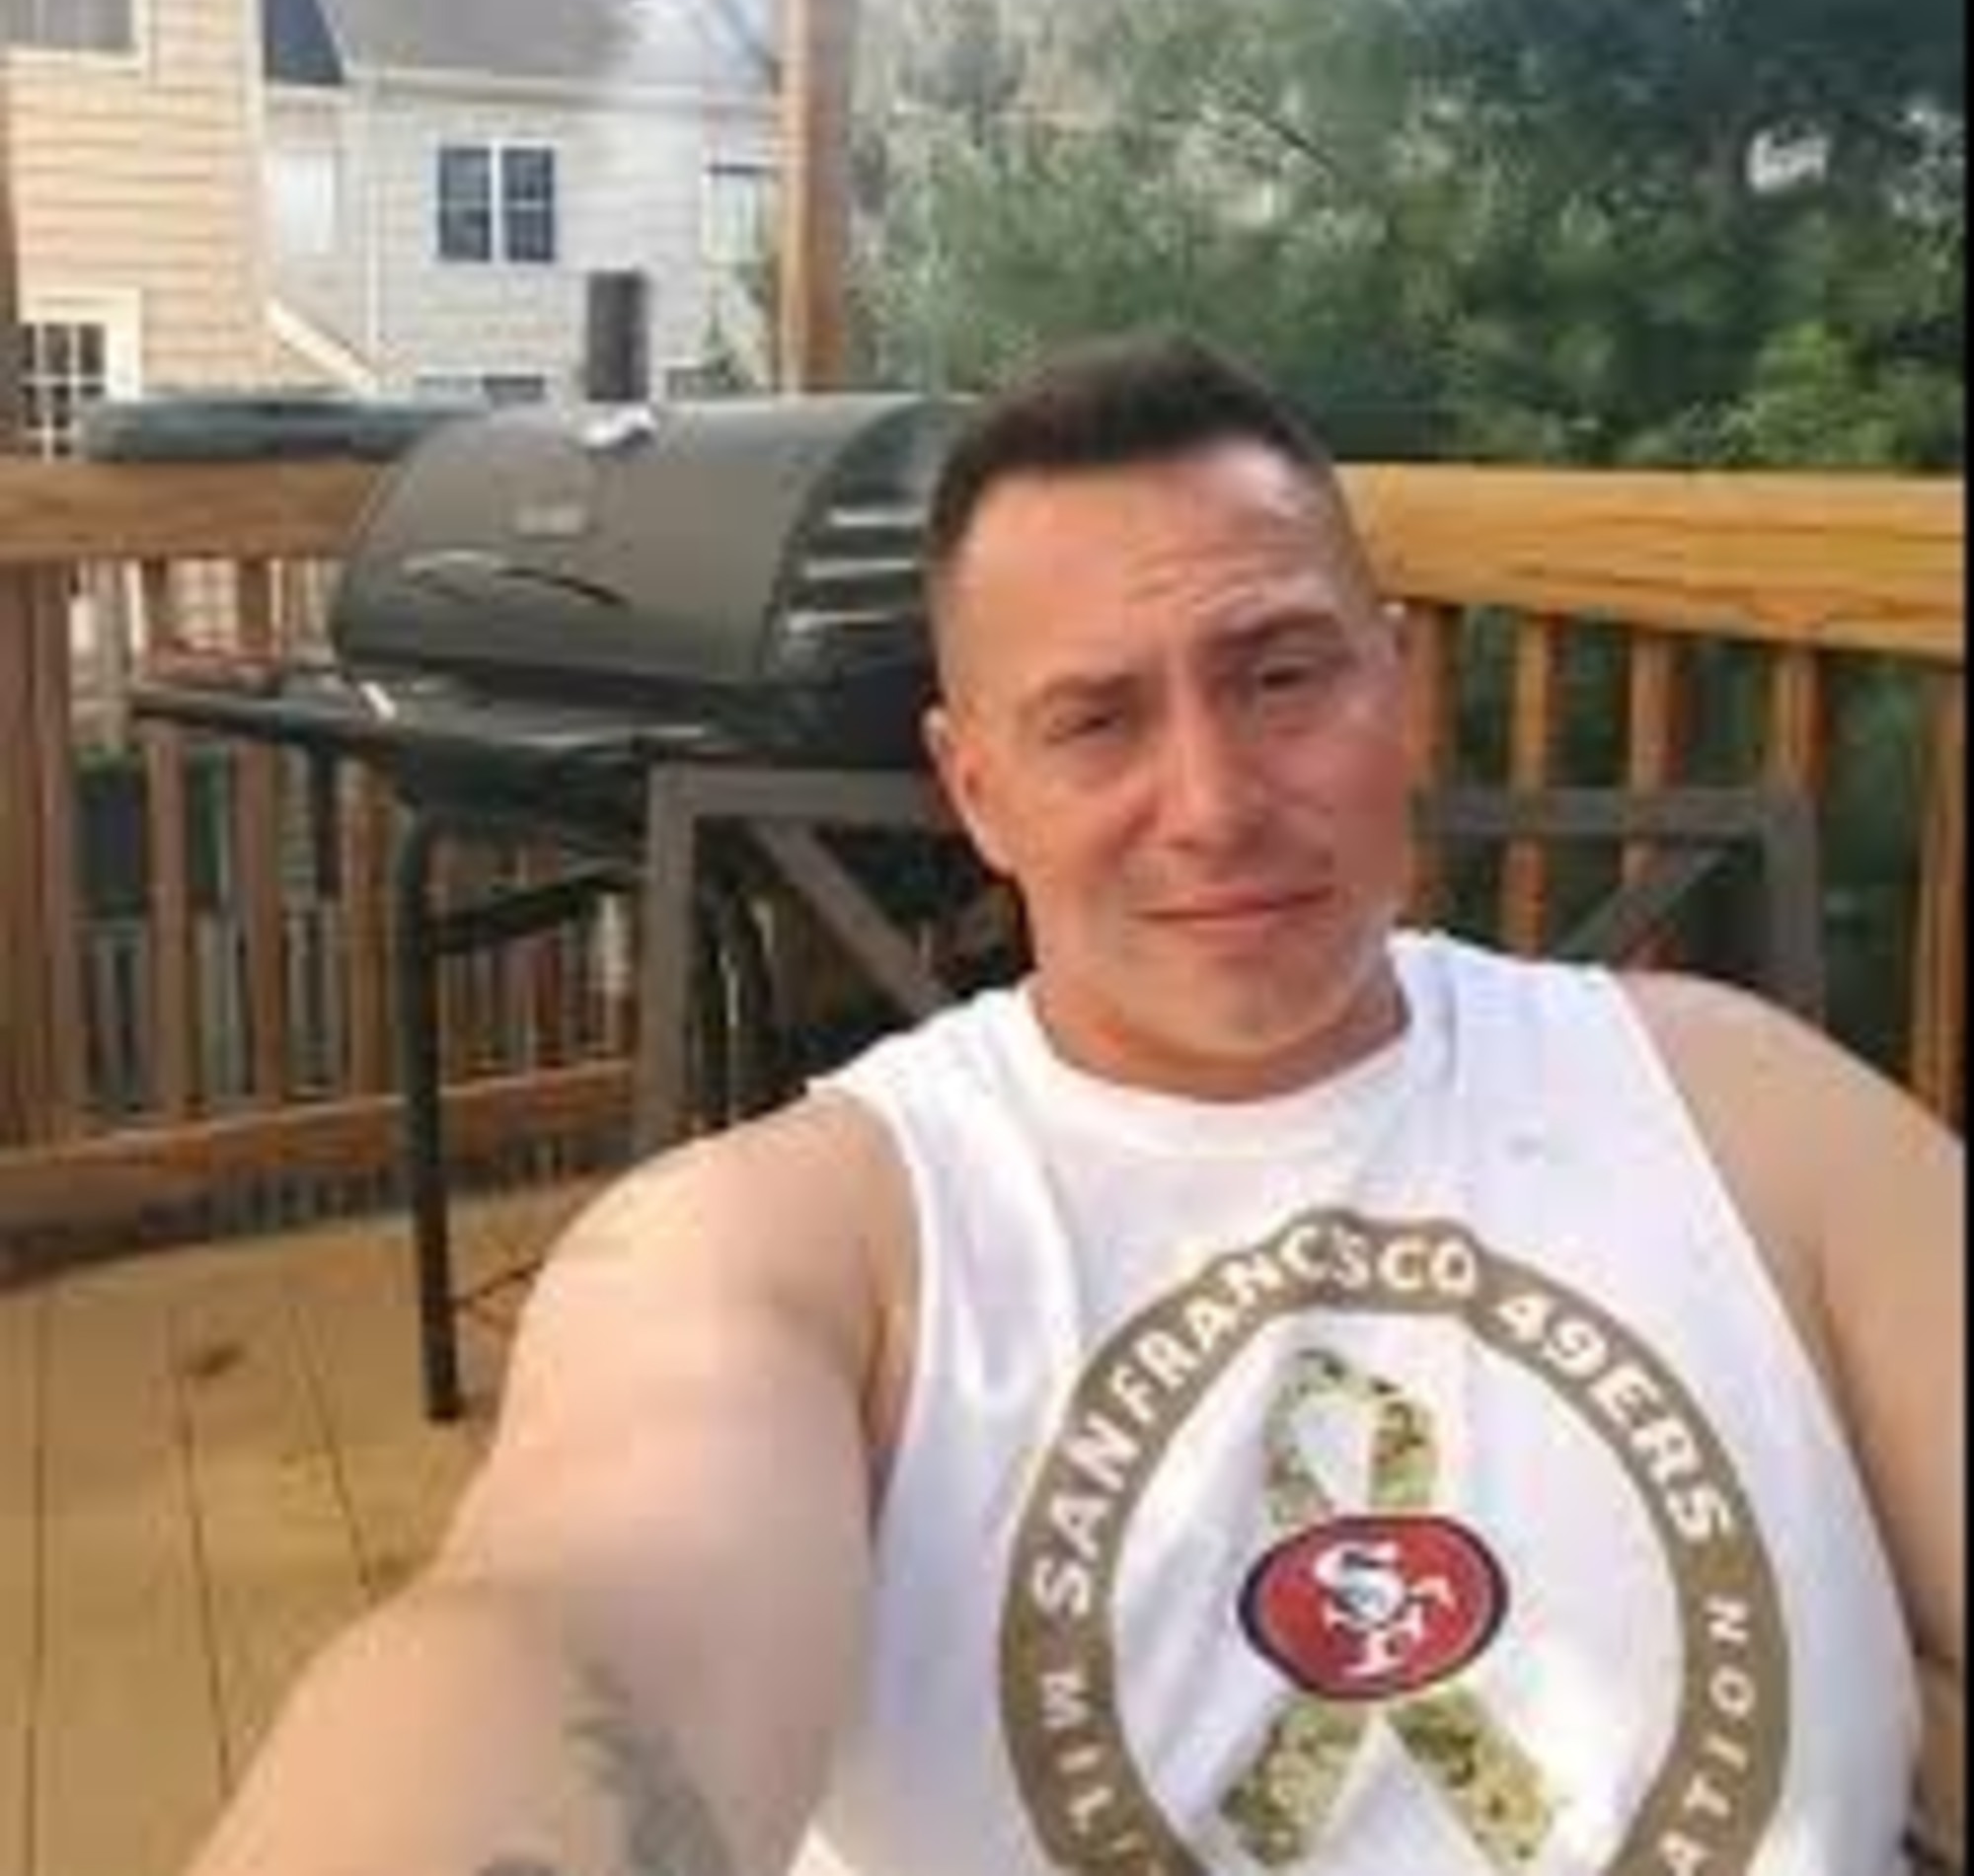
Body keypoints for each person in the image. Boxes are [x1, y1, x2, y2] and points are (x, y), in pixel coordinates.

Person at [188, 334, 1962, 1876]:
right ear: (975, 788)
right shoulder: (811, 1240)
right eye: (1097, 721)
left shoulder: (1743, 1107)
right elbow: (571, 1630)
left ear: (1395, 687)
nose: (1214, 803)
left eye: (1281, 675)